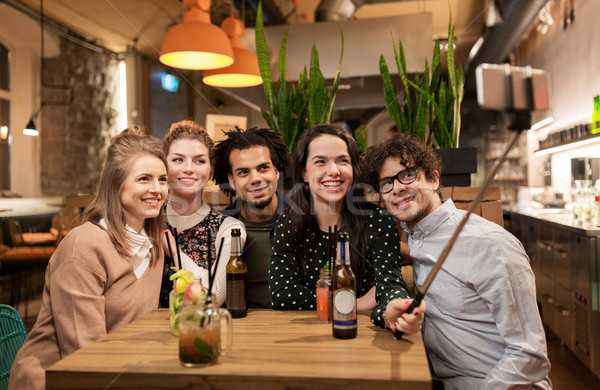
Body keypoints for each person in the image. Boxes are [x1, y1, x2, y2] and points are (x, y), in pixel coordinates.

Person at [361, 133, 552, 389]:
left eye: (407, 175)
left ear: (434, 178)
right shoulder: (417, 238)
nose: (396, 188)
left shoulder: (488, 244)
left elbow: (530, 355)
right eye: (386, 183)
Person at [8, 128, 169, 390]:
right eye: (144, 179)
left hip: (120, 374)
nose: (157, 189)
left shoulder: (154, 247)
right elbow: (84, 352)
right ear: (116, 185)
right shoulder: (83, 245)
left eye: (162, 179)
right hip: (55, 379)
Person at [269, 123, 424, 332]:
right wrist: (355, 304)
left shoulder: (377, 220)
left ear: (353, 169)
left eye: (343, 160)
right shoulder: (288, 222)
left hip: (361, 337)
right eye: (320, 162)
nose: (333, 171)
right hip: (304, 336)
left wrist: (393, 310)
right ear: (304, 173)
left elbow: (390, 287)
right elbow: (282, 294)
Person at [159, 120, 245, 308]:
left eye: (199, 161)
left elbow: (213, 298)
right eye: (178, 159)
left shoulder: (230, 229)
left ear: (211, 170)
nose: (189, 168)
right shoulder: (148, 220)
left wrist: (174, 251)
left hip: (204, 331)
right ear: (163, 167)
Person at [213, 127, 291, 308]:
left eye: (263, 168)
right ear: (231, 180)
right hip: (239, 327)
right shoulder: (219, 227)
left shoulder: (304, 221)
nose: (255, 178)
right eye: (243, 172)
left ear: (276, 172)